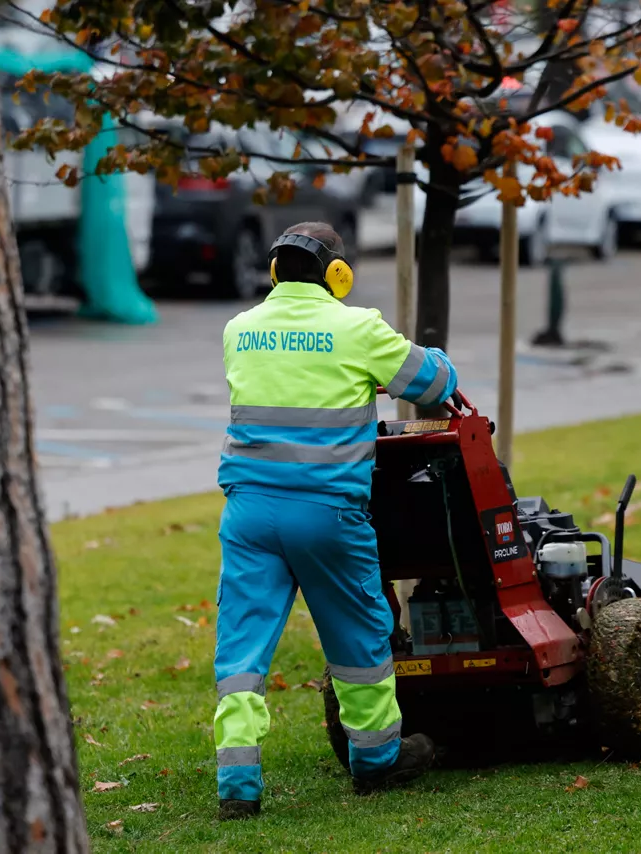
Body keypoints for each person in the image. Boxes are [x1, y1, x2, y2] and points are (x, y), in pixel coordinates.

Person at [212, 221, 458, 821]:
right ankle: (376, 761)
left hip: (247, 514)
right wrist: (438, 360)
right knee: (358, 634)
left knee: (241, 647)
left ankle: (237, 785)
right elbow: (432, 383)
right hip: (326, 514)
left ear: (274, 272)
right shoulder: (356, 327)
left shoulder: (238, 330)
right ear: (337, 275)